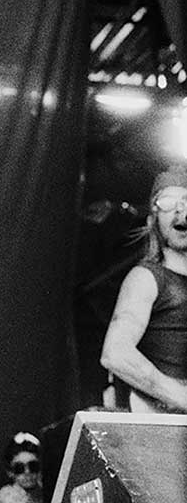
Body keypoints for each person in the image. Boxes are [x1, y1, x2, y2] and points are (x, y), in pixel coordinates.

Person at [100, 164, 187, 413]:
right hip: (165, 424)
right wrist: (180, 396)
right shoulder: (146, 278)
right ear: (153, 220)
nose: (180, 209)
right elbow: (115, 354)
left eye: (186, 199)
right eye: (167, 202)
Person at [0, 432, 45, 503]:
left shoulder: (42, 491)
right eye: (20, 468)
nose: (27, 472)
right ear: (10, 472)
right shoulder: (6, 495)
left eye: (33, 466)